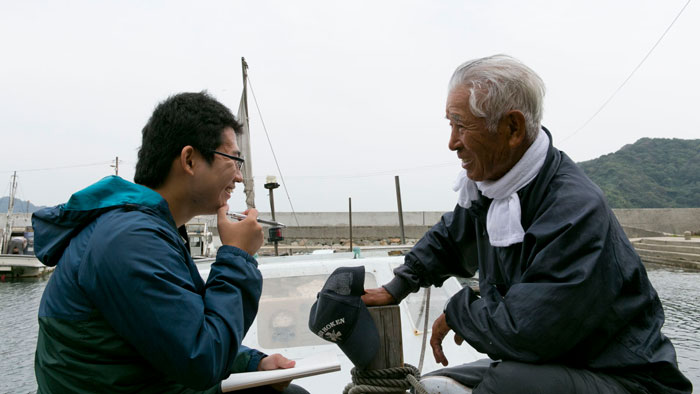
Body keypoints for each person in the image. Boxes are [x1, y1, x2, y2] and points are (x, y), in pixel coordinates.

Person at [363, 55, 692, 394]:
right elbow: (450, 238)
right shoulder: (494, 187)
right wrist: (397, 287)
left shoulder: (573, 210)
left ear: (512, 129)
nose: (453, 142)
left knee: (508, 385)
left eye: (461, 125)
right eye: (450, 124)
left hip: (628, 378)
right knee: (436, 383)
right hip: (563, 364)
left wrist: (458, 312)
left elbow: (527, 333)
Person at [33, 92, 308, 394]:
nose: (240, 177)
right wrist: (237, 255)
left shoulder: (146, 230)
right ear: (190, 160)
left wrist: (252, 363)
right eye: (234, 160)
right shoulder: (129, 240)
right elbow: (201, 360)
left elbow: (170, 331)